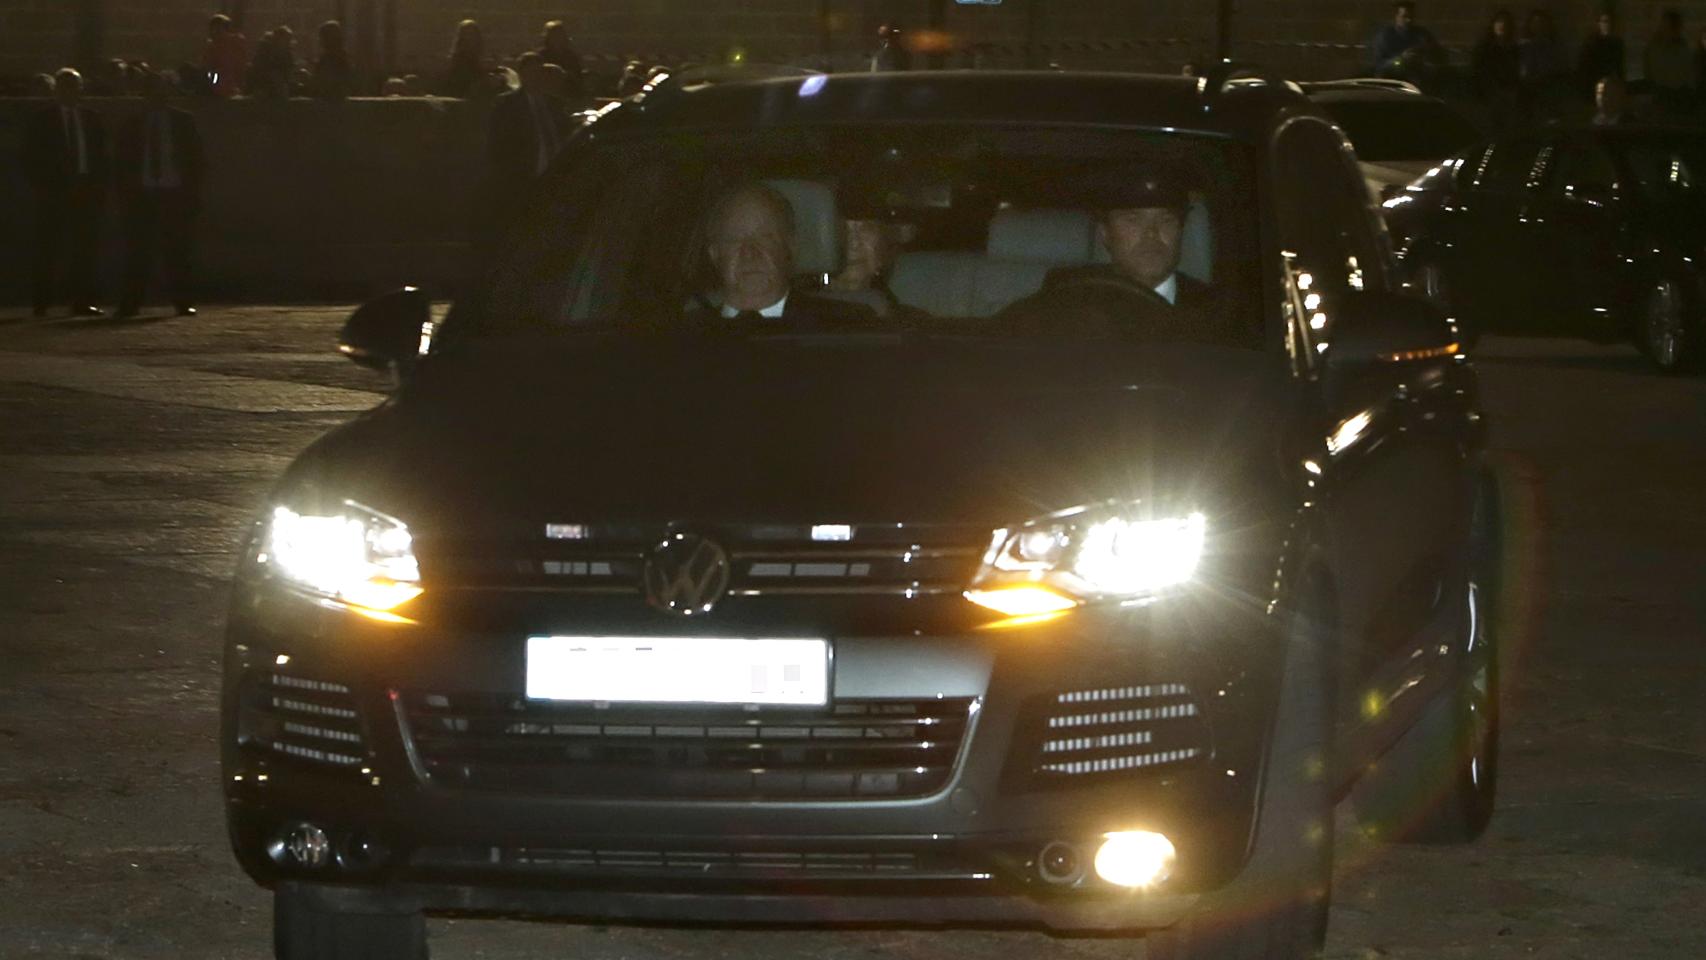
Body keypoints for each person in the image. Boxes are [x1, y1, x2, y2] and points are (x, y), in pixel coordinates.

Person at [688, 182, 876, 327]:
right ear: (714, 254)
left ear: (790, 248)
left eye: (765, 237)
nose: (750, 253)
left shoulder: (845, 325)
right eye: (735, 239)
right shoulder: (683, 334)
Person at [113, 70, 204, 318]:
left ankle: (182, 301)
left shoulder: (183, 122)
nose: (158, 95)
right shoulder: (132, 124)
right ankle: (131, 301)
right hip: (142, 194)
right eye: (153, 90)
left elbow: (196, 160)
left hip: (173, 193)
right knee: (137, 251)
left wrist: (191, 193)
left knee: (178, 251)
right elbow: (122, 162)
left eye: (162, 90)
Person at [22, 68, 108, 318]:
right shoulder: (42, 120)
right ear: (57, 90)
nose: (70, 92)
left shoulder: (92, 118)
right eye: (66, 87)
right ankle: (42, 301)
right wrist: (43, 186)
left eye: (75, 87)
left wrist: (97, 186)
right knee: (47, 248)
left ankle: (81, 300)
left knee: (84, 249)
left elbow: (100, 156)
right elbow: (30, 156)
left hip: (84, 189)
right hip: (54, 192)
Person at [1472, 10, 1524, 129]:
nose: (1502, 26)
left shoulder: (1513, 49)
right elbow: (1478, 70)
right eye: (1499, 22)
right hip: (1490, 94)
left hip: (1509, 93)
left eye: (1506, 23)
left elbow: (1516, 70)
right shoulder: (1485, 48)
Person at [1370, 2, 1444, 82]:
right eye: (1404, 16)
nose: (1409, 20)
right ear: (1396, 17)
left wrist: (1424, 56)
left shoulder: (1422, 34)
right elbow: (1379, 65)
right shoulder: (1385, 36)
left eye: (1411, 17)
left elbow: (1438, 56)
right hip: (1393, 79)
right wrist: (1401, 59)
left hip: (1418, 78)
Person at [1520, 9, 1571, 119]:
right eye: (1535, 23)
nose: (1538, 26)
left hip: (1549, 91)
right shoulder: (1524, 46)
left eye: (1541, 23)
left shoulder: (1554, 46)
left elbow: (1561, 68)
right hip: (1529, 92)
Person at [1645, 10, 1693, 116]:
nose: (1663, 30)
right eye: (1662, 26)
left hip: (1679, 98)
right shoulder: (1654, 48)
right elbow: (1652, 73)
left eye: (1666, 27)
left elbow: (1682, 77)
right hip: (1661, 96)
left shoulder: (1684, 50)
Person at [1577, 9, 1625, 97]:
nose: (1607, 25)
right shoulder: (1591, 43)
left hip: (1611, 86)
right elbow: (1586, 68)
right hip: (1594, 85)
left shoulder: (1617, 43)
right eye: (1604, 21)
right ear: (1598, 23)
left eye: (1610, 22)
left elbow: (1620, 67)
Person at [535, 20, 585, 103]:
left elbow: (577, 76)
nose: (557, 39)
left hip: (567, 93)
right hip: (546, 95)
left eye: (560, 35)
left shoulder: (570, 56)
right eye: (554, 36)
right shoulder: (540, 55)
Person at [439, 19, 487, 98]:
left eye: (471, 34)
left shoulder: (479, 55)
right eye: (466, 34)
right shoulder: (457, 58)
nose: (469, 37)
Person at [202, 14, 248, 97]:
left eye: (218, 29)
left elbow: (233, 67)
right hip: (218, 81)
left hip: (222, 83)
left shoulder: (233, 44)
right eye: (213, 29)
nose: (214, 32)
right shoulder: (213, 45)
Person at [309, 20, 356, 99]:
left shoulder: (335, 59)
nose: (320, 41)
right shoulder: (340, 57)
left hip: (330, 104)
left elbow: (326, 85)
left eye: (322, 37)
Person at [248, 26, 296, 99]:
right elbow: (257, 70)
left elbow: (288, 72)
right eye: (286, 39)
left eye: (289, 39)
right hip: (264, 88)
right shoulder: (265, 52)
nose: (288, 42)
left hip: (280, 89)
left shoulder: (287, 54)